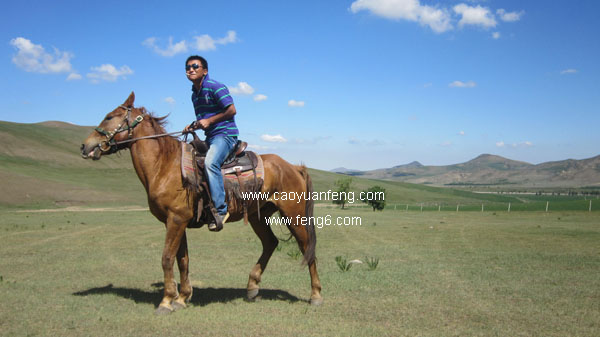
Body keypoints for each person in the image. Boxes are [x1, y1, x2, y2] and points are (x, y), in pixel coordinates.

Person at [183, 55, 239, 231]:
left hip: (225, 135)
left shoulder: (216, 87)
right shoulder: (195, 95)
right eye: (187, 68)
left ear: (204, 70)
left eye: (195, 66)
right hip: (211, 136)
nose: (190, 69)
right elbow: (204, 120)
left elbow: (231, 110)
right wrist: (193, 125)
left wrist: (210, 121)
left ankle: (221, 210)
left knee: (210, 162)